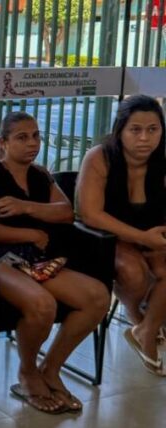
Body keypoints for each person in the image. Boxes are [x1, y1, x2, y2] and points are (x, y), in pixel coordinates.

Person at [0, 112, 110, 414]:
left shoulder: (40, 175)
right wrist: (30, 231)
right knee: (42, 304)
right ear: (4, 143)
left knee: (97, 297)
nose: (32, 143)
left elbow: (64, 212)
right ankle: (27, 372)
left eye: (36, 136)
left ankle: (51, 369)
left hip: (39, 260)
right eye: (22, 137)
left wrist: (25, 207)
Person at [76, 95, 166, 376]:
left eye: (153, 130)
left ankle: (146, 330)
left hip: (148, 234)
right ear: (120, 130)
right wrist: (142, 238)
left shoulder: (162, 157)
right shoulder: (100, 156)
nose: (144, 138)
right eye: (135, 130)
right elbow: (90, 214)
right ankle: (141, 317)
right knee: (135, 273)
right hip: (103, 236)